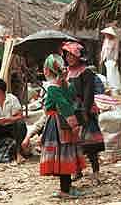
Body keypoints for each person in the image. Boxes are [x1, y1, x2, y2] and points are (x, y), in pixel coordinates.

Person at [39, 54, 86, 198]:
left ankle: (64, 190)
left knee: (61, 156)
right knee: (67, 154)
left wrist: (73, 125)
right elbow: (72, 99)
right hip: (66, 124)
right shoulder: (66, 84)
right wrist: (75, 125)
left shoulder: (53, 87)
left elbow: (63, 106)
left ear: (47, 70)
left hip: (57, 124)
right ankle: (67, 187)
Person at [62, 41, 105, 185]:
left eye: (72, 55)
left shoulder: (86, 71)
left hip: (84, 109)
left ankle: (96, 173)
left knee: (90, 144)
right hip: (71, 109)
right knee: (73, 142)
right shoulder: (66, 72)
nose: (69, 58)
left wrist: (85, 111)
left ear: (79, 56)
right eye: (67, 55)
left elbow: (88, 94)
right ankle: (77, 170)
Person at [0, 78, 27, 163]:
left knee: (20, 124)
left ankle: (18, 153)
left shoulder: (12, 99)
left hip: (11, 129)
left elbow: (20, 116)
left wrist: (8, 119)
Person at [100, 26, 121, 95]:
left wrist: (115, 60)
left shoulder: (115, 40)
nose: (106, 35)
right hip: (106, 59)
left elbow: (116, 51)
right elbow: (103, 50)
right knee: (109, 73)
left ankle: (115, 88)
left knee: (113, 73)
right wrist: (101, 58)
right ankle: (112, 87)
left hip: (112, 59)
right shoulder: (106, 40)